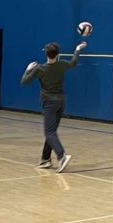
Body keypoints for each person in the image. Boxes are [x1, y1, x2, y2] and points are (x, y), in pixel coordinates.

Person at [21, 39, 89, 172]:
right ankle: (45, 159)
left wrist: (27, 69)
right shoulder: (62, 65)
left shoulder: (39, 68)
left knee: (49, 132)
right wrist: (78, 49)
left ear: (46, 54)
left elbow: (24, 82)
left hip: (49, 103)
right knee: (51, 131)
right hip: (61, 102)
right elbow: (74, 63)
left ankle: (62, 155)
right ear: (58, 54)